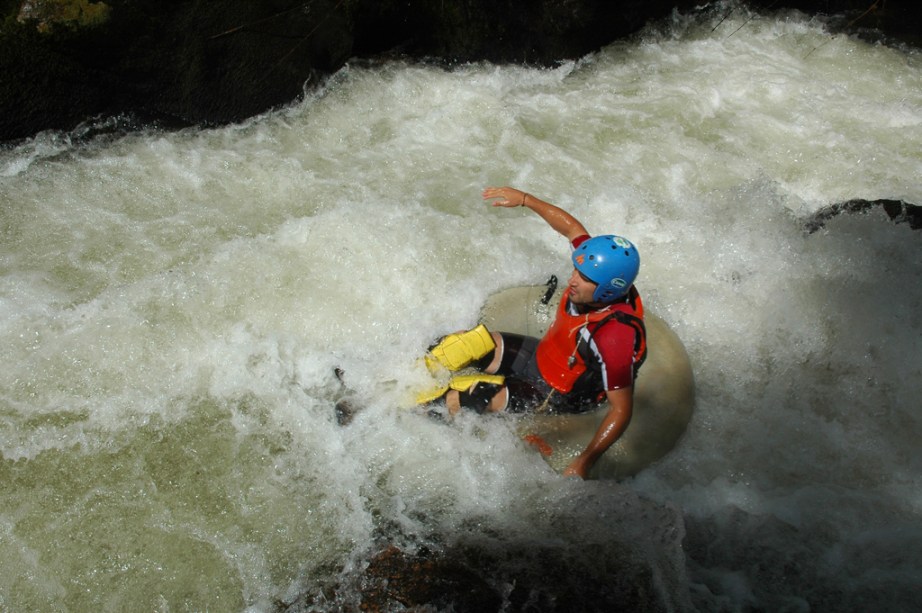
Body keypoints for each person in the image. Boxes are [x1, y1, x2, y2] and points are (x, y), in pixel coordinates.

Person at [421, 186, 647, 479]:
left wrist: (585, 461)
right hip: (542, 356)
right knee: (457, 345)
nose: (572, 280)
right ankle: (389, 386)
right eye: (576, 270)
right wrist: (527, 200)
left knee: (465, 396)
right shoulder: (597, 273)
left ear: (607, 290)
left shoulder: (614, 337)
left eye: (584, 278)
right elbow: (572, 229)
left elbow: (621, 410)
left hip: (558, 394)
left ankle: (388, 416)